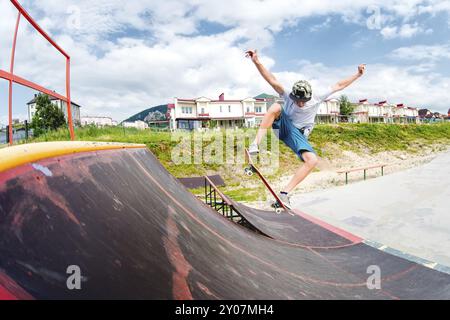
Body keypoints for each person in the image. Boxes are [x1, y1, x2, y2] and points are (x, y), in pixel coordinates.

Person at [245, 49, 366, 208]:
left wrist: (357, 75)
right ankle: (255, 144)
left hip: (299, 134)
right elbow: (271, 80)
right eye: (297, 101)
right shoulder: (287, 94)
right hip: (283, 127)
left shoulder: (317, 96)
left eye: (303, 102)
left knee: (312, 160)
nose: (300, 104)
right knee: (275, 107)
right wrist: (256, 61)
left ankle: (284, 195)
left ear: (309, 97)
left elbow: (339, 85)